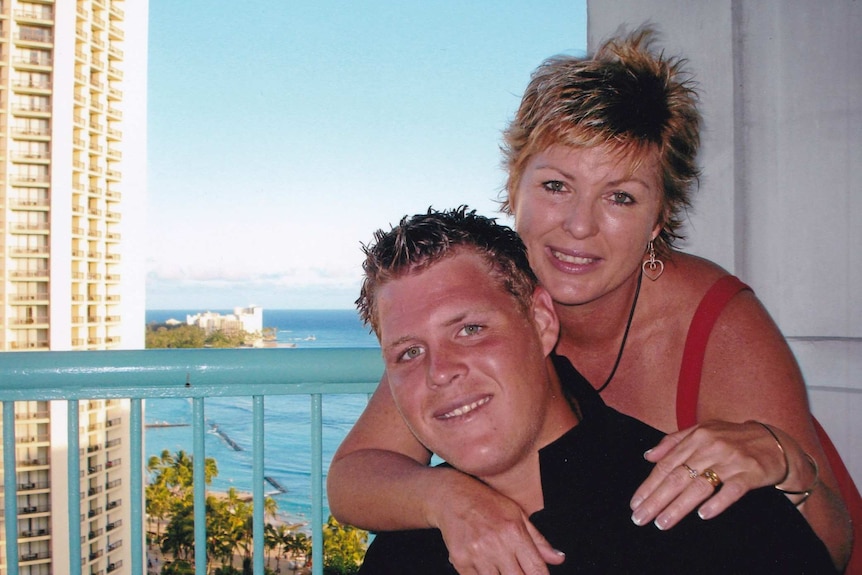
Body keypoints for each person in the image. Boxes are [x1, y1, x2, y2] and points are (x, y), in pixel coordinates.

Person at [327, 28, 853, 573]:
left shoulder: (713, 323)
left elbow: (826, 548)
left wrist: (783, 459)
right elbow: (355, 476)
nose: (579, 226)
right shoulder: (477, 316)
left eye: (620, 197)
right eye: (556, 186)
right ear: (515, 188)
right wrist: (448, 497)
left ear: (659, 219)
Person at [352, 207, 835, 574]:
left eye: (471, 329)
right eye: (409, 353)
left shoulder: (708, 512)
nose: (440, 371)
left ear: (541, 321)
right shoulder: (405, 551)